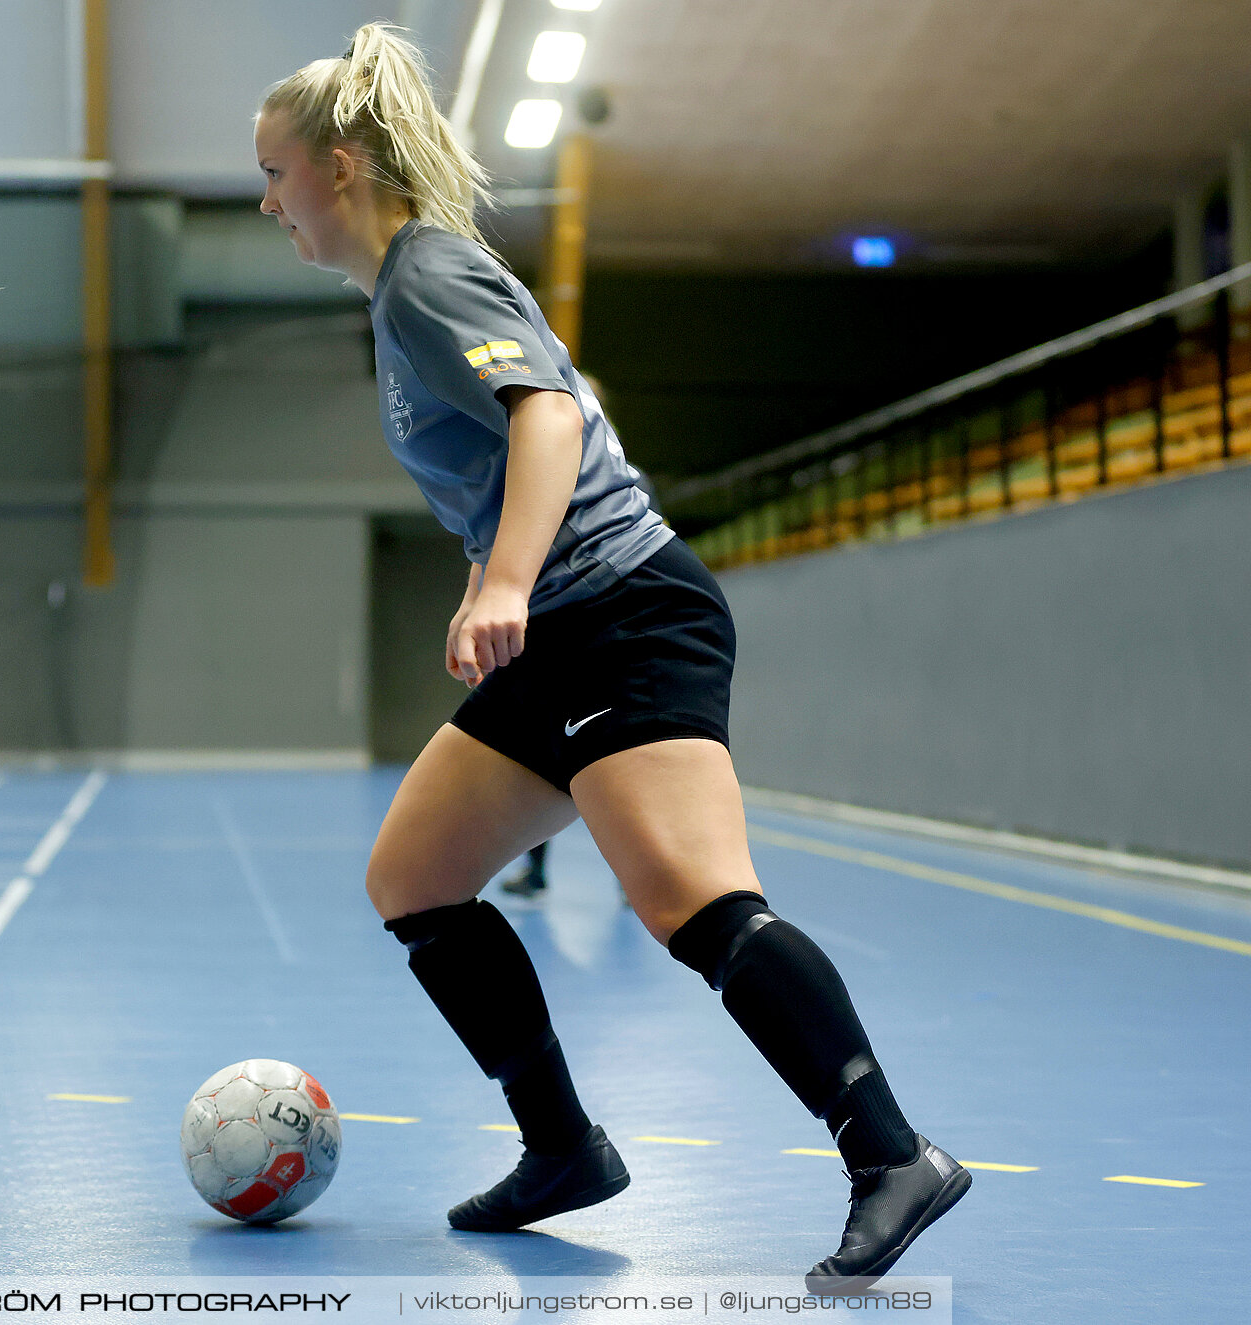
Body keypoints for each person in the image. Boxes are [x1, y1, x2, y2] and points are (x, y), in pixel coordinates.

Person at [253, 26, 968, 1293]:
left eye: (276, 172)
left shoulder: (425, 274)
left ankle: (891, 1152)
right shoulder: (403, 293)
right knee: (415, 876)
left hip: (626, 611)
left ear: (343, 165)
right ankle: (561, 1148)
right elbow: (519, 449)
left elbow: (547, 413)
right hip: (564, 624)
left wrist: (514, 578)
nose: (268, 202)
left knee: (692, 901)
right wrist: (492, 573)